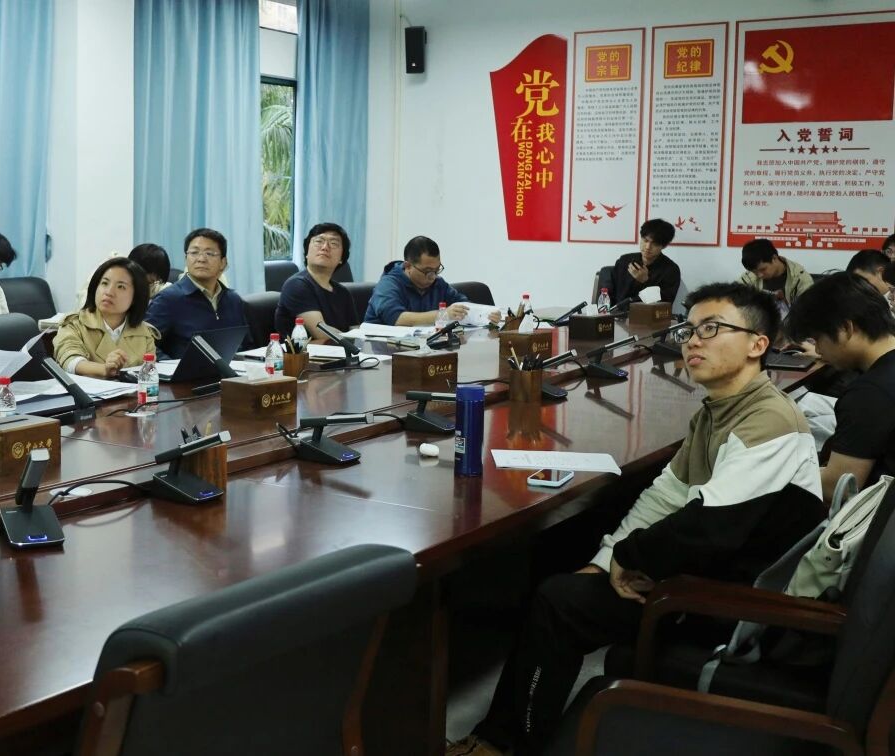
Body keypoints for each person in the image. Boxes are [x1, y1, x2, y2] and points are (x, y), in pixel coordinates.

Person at [452, 283, 823, 756]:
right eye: (690, 329)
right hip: (716, 571)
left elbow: (710, 527)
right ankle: (509, 731)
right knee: (570, 563)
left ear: (757, 345)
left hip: (740, 605)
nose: (693, 341)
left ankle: (503, 744)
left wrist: (629, 557)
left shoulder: (769, 421)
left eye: (712, 329)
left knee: (559, 602)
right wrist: (606, 562)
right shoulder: (719, 411)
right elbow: (665, 496)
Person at [785, 273, 895, 491]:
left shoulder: (869, 394)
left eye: (818, 339)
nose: (818, 349)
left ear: (846, 328)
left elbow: (837, 488)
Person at [144, 228, 249, 359]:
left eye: (209, 253)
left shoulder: (233, 300)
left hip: (233, 370)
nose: (201, 259)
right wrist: (176, 367)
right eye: (194, 252)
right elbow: (144, 345)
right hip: (186, 371)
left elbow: (247, 345)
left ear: (223, 263)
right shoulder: (168, 300)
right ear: (186, 259)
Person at [53, 258, 159, 378]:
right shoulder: (74, 324)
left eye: (121, 287)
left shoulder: (144, 333)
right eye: (104, 283)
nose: (109, 292)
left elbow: (149, 374)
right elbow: (69, 362)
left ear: (136, 297)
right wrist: (104, 369)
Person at [364, 236, 497, 327]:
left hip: (423, 349)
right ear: (408, 266)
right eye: (427, 271)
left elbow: (462, 304)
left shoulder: (438, 283)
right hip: (381, 353)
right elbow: (397, 318)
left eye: (436, 270)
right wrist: (443, 315)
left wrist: (486, 315)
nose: (432, 277)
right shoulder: (388, 285)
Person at [274, 223, 360, 341]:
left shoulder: (343, 293)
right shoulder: (296, 285)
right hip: (304, 353)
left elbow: (356, 332)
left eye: (333, 243)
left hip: (338, 351)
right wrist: (351, 340)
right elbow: (322, 333)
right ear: (307, 252)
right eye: (319, 241)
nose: (325, 247)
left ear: (341, 258)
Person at [606, 218, 681, 304]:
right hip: (617, 311)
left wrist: (645, 282)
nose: (648, 247)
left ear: (663, 246)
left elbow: (665, 303)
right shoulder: (624, 261)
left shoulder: (671, 270)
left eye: (655, 243)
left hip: (647, 312)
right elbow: (609, 292)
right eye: (645, 240)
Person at [739, 238, 813, 317]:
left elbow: (809, 311)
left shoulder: (800, 278)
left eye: (763, 269)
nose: (759, 275)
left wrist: (788, 305)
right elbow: (735, 297)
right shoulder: (750, 275)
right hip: (759, 321)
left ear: (774, 258)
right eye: (755, 272)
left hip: (791, 322)